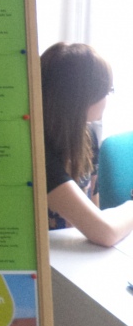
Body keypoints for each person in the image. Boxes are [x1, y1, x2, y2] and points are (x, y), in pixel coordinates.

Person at [41, 41, 133, 246]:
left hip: (75, 253)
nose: (107, 98)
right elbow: (105, 232)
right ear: (81, 98)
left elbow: (95, 213)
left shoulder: (87, 136)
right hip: (47, 259)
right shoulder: (40, 153)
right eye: (106, 91)